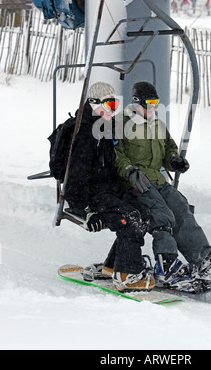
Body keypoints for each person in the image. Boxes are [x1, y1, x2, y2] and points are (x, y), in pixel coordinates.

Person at [114, 81, 211, 289]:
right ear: (136, 102)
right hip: (136, 183)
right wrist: (129, 170)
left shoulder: (157, 124)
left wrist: (174, 160)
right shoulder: (121, 123)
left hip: (158, 181)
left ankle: (201, 257)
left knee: (180, 207)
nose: (152, 107)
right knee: (161, 215)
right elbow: (114, 154)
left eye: (155, 103)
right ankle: (166, 263)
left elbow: (169, 148)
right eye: (148, 103)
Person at [65, 81, 155, 293]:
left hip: (107, 190)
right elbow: (75, 179)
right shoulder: (84, 134)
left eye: (115, 105)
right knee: (129, 218)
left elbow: (109, 167)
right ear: (93, 103)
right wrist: (84, 211)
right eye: (110, 105)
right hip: (91, 195)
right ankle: (127, 275)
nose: (113, 110)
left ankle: (113, 265)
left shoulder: (103, 128)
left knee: (143, 212)